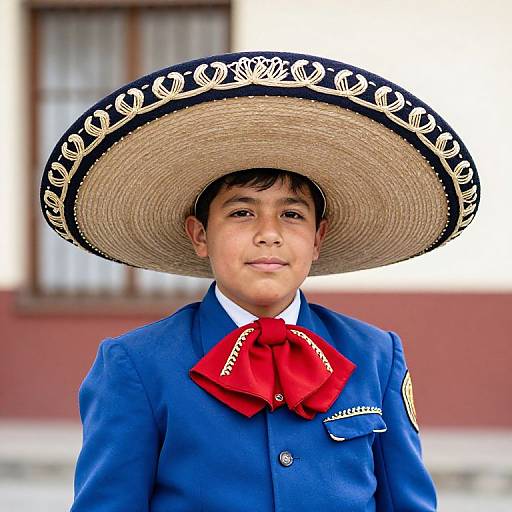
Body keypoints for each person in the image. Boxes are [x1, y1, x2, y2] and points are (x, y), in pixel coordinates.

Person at [39, 51, 480, 511]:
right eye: (242, 212)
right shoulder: (135, 365)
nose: (269, 234)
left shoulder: (375, 356)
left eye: (292, 215)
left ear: (317, 239)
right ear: (200, 235)